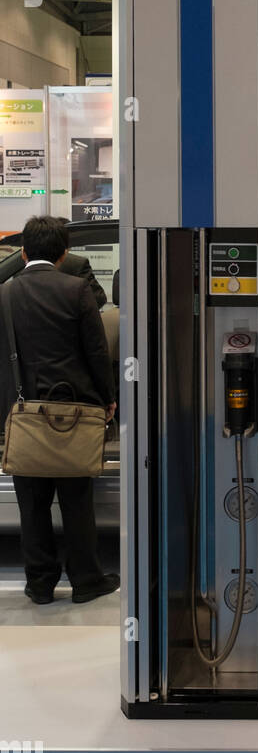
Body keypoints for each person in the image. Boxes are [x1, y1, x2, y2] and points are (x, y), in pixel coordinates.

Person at [0, 216, 118, 605]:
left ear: (23, 252)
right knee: (76, 498)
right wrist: (107, 398)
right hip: (74, 410)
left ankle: (40, 584)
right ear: (65, 252)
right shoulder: (77, 290)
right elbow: (96, 352)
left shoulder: (5, 294)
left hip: (23, 411)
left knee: (31, 503)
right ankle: (86, 580)